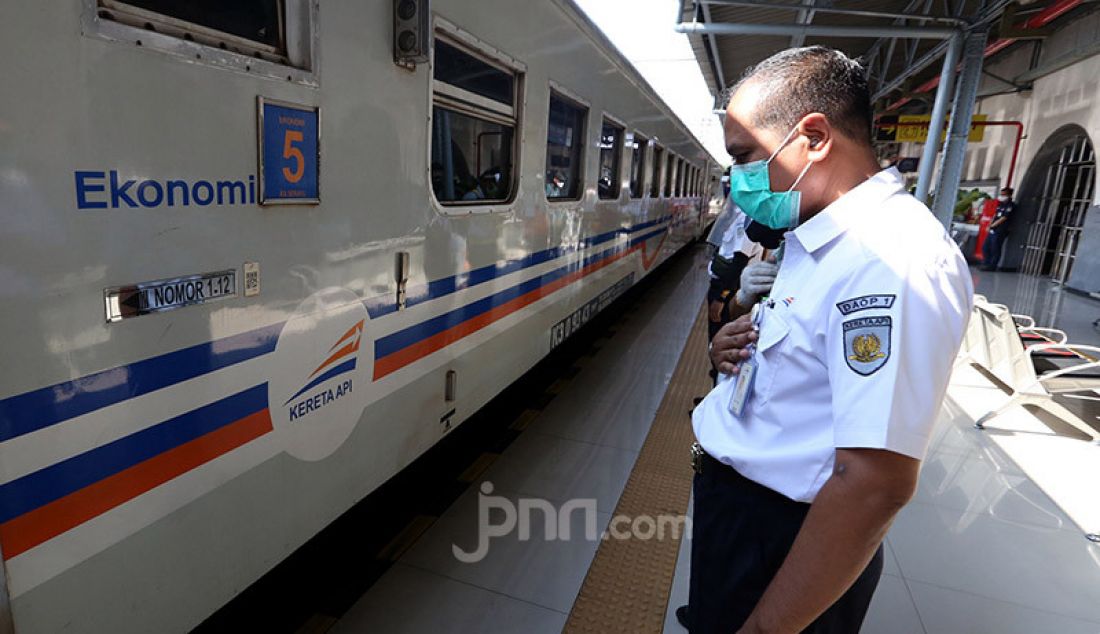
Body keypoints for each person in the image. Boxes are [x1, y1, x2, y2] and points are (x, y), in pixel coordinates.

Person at [687, 46, 973, 633]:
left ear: (812, 137)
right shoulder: (824, 238)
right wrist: (731, 362)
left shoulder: (890, 261)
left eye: (744, 158)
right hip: (747, 521)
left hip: (781, 540)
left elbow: (874, 482)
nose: (737, 180)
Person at [981, 186, 1015, 271]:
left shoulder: (1010, 206)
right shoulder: (1001, 204)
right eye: (1001, 194)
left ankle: (992, 266)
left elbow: (1003, 218)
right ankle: (986, 264)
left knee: (995, 248)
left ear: (1009, 195)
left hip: (1000, 230)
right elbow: (995, 216)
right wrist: (990, 225)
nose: (1002, 196)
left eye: (1004, 195)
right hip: (993, 229)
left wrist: (993, 226)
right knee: (986, 247)